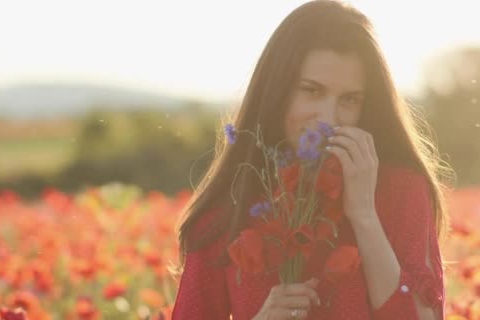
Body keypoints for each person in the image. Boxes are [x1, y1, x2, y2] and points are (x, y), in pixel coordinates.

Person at [170, 0, 453, 319]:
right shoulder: (228, 208)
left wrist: (364, 215)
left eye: (349, 100)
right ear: (277, 92)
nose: (329, 118)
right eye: (312, 91)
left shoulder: (402, 190)